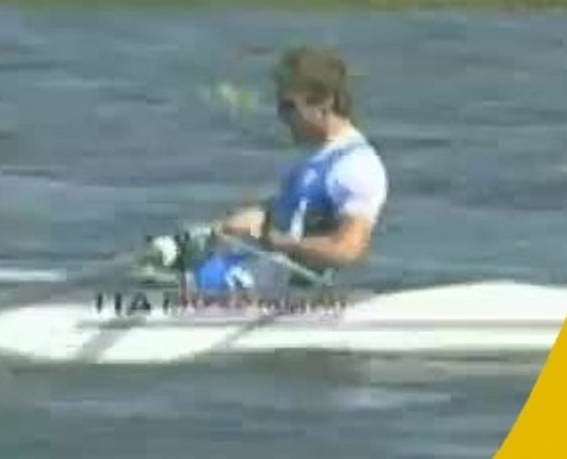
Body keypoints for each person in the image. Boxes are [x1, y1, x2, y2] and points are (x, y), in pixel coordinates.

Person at [151, 46, 389, 293]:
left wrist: (279, 242)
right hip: (246, 281)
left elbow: (346, 250)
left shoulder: (357, 167)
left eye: (289, 107)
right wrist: (215, 231)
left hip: (287, 302)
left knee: (153, 289)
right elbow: (281, 217)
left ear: (323, 102)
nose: (281, 116)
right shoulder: (321, 159)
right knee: (149, 272)